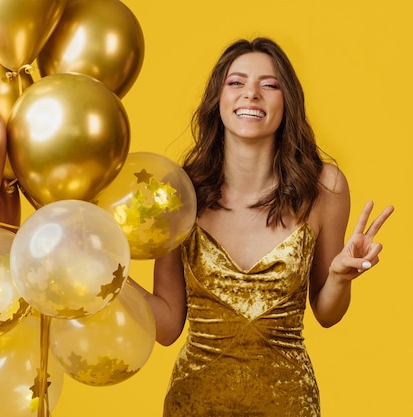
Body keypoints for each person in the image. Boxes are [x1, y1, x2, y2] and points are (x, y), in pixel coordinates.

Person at [132, 37, 394, 416]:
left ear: (287, 101)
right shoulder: (179, 192)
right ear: (216, 101)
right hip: (193, 405)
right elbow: (168, 327)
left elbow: (327, 313)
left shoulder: (325, 188)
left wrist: (338, 278)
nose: (250, 94)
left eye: (269, 85)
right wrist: (111, 273)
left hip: (289, 404)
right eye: (236, 83)